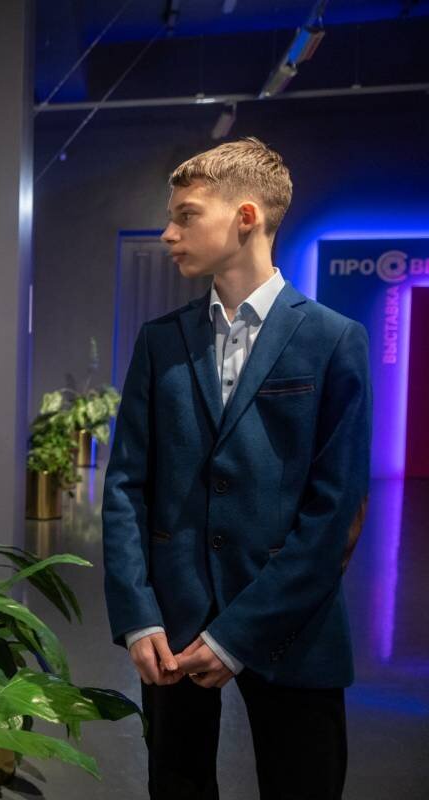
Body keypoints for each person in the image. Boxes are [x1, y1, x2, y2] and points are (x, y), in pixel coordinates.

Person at [102, 137, 372, 800]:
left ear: (245, 218)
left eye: (186, 215)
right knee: (176, 785)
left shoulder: (333, 340)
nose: (168, 234)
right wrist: (138, 614)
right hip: (172, 625)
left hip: (293, 624)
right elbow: (126, 485)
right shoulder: (160, 341)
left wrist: (237, 636)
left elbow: (334, 511)